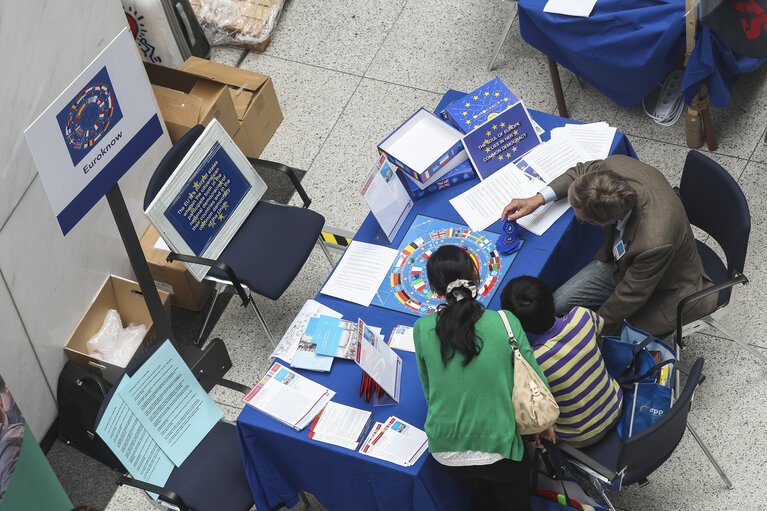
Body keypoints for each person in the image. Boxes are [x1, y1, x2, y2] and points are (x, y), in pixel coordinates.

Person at [501, 155, 717, 336]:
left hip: (669, 287)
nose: (579, 220)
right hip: (623, 262)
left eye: (584, 221)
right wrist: (537, 199)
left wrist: (591, 331)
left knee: (609, 337)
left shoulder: (654, 243)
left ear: (609, 220)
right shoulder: (614, 168)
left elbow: (629, 296)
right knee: (556, 305)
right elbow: (582, 171)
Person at [413, 244, 554, 511]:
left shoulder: (422, 328)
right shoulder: (505, 321)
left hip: (445, 451)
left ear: (435, 291)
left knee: (480, 496)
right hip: (501, 449)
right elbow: (535, 382)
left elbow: (429, 392)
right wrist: (540, 426)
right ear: (476, 278)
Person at [501, 276, 622, 447]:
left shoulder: (533, 362)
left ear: (518, 327)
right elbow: (599, 329)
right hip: (617, 405)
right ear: (551, 300)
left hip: (581, 437)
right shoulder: (583, 316)